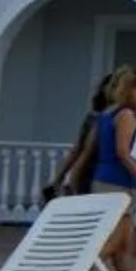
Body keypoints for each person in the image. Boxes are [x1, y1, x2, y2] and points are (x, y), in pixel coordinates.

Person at [86, 67, 136, 271]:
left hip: (106, 180)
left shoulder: (106, 115)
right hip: (117, 184)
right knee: (113, 243)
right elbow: (123, 152)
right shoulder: (126, 116)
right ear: (131, 89)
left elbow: (92, 148)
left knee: (124, 245)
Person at [37, 73, 116, 203]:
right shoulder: (95, 118)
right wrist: (60, 178)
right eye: (111, 86)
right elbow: (80, 148)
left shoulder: (120, 117)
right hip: (90, 172)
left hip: (105, 174)